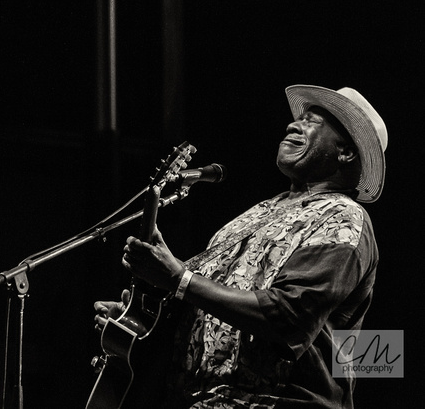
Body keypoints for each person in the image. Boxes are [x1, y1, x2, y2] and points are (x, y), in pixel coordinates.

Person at [94, 84, 387, 408]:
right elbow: (202, 305)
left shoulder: (343, 216)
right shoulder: (254, 215)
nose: (293, 124)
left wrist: (179, 278)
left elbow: (287, 315)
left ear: (345, 151)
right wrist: (140, 322)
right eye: (299, 118)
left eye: (312, 122)